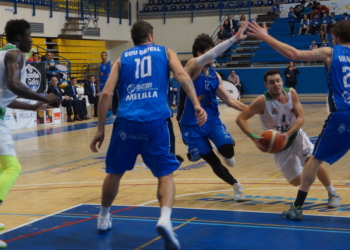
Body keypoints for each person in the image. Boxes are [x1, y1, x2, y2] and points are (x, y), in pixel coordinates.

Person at [90, 20, 207, 250]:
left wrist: (100, 129)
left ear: (134, 39)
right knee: (165, 174)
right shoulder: (165, 52)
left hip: (126, 124)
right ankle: (164, 219)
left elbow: (106, 94)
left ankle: (103, 218)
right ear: (151, 37)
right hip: (155, 123)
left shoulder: (121, 58)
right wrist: (195, 103)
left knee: (114, 172)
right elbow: (183, 76)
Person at [247, 19, 350, 221]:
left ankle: (297, 207)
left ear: (336, 38)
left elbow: (294, 54)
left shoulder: (331, 52)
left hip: (343, 114)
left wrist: (266, 37)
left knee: (314, 160)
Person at [236, 69, 341, 212]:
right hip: (279, 148)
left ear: (282, 81)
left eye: (278, 80)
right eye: (272, 82)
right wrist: (254, 138)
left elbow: (301, 118)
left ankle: (332, 193)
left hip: (296, 137)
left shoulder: (291, 93)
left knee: (313, 162)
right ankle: (308, 172)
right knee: (296, 181)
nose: (276, 84)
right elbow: (240, 119)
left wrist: (288, 133)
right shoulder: (261, 101)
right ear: (266, 84)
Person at [0, 19, 60, 248]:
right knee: (13, 168)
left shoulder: (3, 54)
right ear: (18, 38)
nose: (32, 40)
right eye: (29, 36)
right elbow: (15, 85)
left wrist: (34, 107)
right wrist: (44, 97)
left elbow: (7, 97)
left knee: (2, 169)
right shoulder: (15, 54)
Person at [177, 22, 249, 201]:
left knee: (228, 152)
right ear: (202, 53)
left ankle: (222, 148)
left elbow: (230, 101)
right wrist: (233, 39)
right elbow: (209, 56)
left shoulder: (214, 75)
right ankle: (236, 185)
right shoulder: (192, 67)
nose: (216, 54)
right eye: (211, 50)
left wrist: (253, 110)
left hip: (211, 121)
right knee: (212, 161)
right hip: (190, 125)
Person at [99, 52, 114, 118]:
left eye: (104, 55)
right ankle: (106, 111)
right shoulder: (100, 64)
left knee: (109, 97)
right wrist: (98, 84)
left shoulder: (110, 63)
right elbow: (98, 74)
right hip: (102, 81)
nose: (103, 56)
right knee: (102, 97)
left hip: (108, 81)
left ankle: (110, 111)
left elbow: (114, 73)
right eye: (102, 55)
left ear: (107, 56)